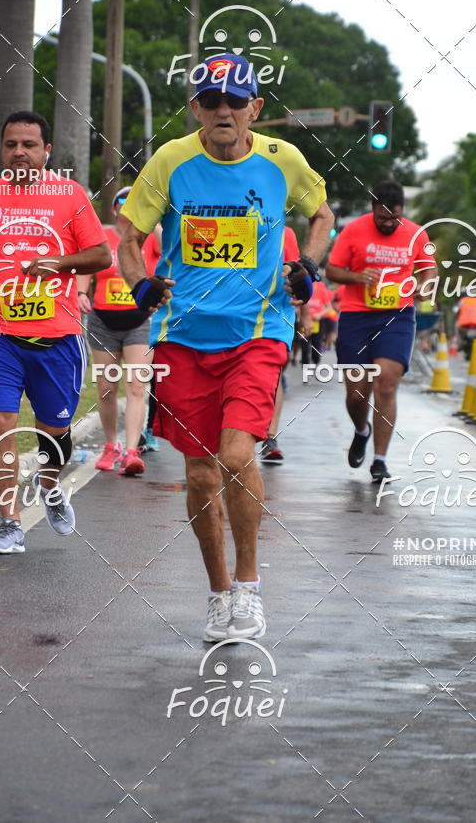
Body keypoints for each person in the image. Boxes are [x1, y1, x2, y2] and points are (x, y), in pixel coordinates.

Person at [117, 53, 333, 641]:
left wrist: (307, 267)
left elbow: (323, 215)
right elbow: (129, 237)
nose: (223, 111)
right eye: (211, 100)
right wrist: (141, 282)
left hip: (258, 331)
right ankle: (218, 594)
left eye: (236, 101)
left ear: (254, 109)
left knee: (238, 458)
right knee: (199, 474)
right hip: (183, 336)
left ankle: (250, 586)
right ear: (195, 109)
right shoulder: (171, 161)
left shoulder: (281, 160)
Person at [0, 111, 111, 553]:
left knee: (53, 435)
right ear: (2, 150)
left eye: (29, 145)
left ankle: (49, 483)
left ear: (46, 151)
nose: (19, 152)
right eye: (11, 144)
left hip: (57, 338)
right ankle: (10, 525)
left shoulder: (70, 195)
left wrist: (59, 263)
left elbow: (101, 256)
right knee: (0, 424)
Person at [325, 181, 437, 483]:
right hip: (356, 317)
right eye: (382, 218)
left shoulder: (416, 233)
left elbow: (429, 268)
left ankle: (380, 460)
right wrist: (358, 277)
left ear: (403, 212)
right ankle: (362, 430)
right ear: (372, 209)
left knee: (386, 384)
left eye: (394, 218)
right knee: (357, 394)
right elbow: (332, 271)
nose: (388, 223)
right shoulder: (354, 230)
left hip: (396, 317)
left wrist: (425, 286)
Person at [77, 187, 160, 475]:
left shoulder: (149, 237)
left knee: (137, 386)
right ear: (113, 209)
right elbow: (88, 265)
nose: (126, 210)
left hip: (140, 321)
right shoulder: (102, 235)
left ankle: (132, 451)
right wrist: (81, 293)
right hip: (103, 322)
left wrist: (152, 214)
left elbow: (169, 246)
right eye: (121, 203)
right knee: (106, 388)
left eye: (131, 204)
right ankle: (111, 445)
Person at [259, 225, 299, 464]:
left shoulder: (286, 233)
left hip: (274, 316)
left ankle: (270, 437)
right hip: (230, 315)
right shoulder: (227, 220)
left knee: (275, 375)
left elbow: (295, 273)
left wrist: (302, 310)